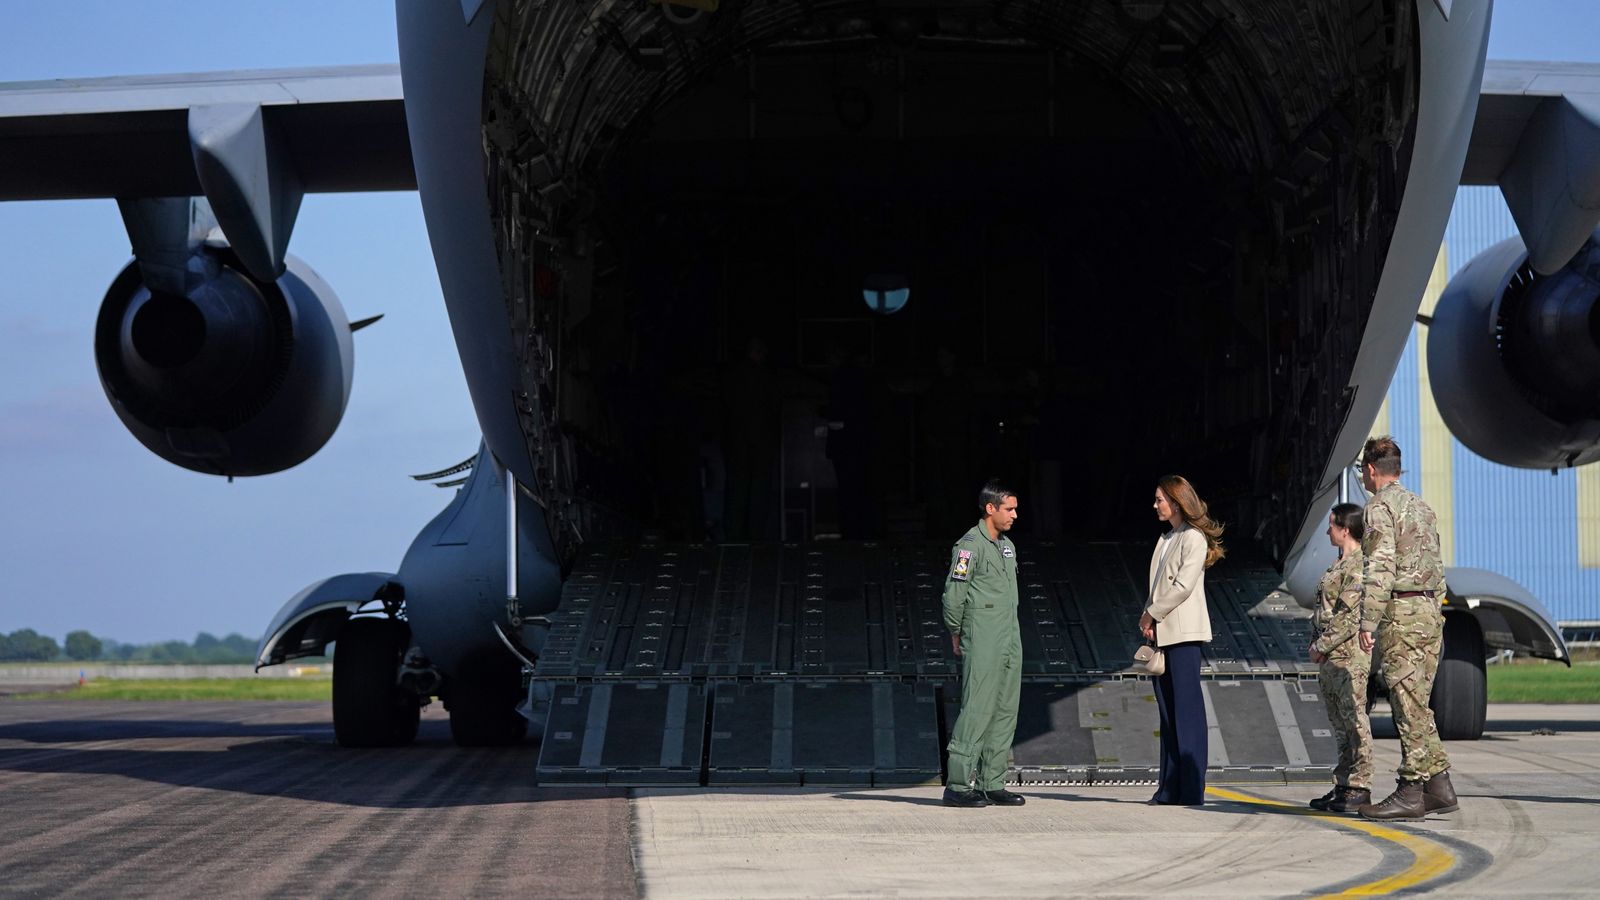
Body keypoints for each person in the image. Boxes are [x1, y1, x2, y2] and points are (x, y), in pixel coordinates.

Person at [1354, 436, 1458, 820]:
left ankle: (1411, 788)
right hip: (1430, 610)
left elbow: (1380, 568)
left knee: (1405, 702)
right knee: (1417, 702)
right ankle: (1439, 785)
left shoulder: (1378, 509)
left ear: (1369, 470)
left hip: (1403, 613)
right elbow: (1437, 563)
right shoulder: (1422, 507)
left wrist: (1368, 621)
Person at [1138, 475, 1223, 806]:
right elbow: (1160, 586)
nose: (1156, 504)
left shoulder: (1193, 538)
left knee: (1187, 711)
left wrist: (1151, 614)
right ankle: (1170, 787)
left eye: (1160, 499)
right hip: (1165, 631)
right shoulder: (1169, 538)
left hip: (1184, 633)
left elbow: (1183, 586)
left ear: (1176, 501)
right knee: (1168, 710)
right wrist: (1151, 618)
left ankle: (1191, 787)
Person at [941, 480, 1025, 808]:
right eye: (1009, 509)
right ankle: (959, 785)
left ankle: (992, 782)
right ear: (990, 509)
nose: (1015, 515)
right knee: (977, 707)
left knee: (1005, 708)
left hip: (1009, 634)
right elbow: (954, 594)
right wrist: (955, 630)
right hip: (983, 634)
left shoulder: (1007, 547)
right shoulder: (969, 546)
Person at [1307, 502, 1373, 812]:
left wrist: (1321, 646)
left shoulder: (1358, 566)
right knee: (1339, 724)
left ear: (1345, 529)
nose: (1327, 530)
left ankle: (1360, 786)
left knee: (1355, 721)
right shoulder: (1339, 564)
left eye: (1331, 525)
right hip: (1332, 657)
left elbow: (1349, 618)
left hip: (1348, 658)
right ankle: (1344, 784)